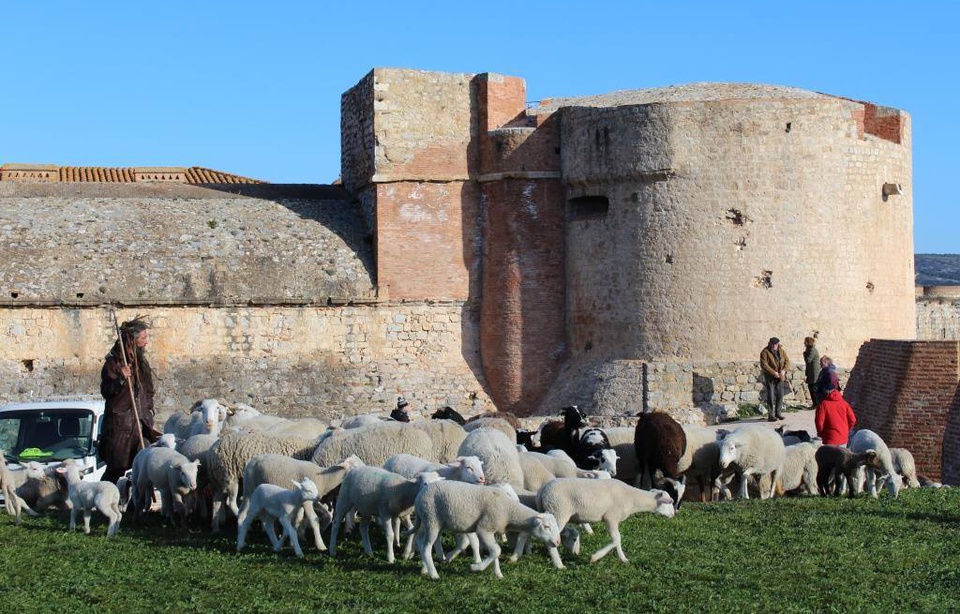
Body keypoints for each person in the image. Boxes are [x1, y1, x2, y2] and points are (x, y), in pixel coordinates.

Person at [100, 316, 159, 483]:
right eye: (143, 338)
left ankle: (136, 504)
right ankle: (104, 498)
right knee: (117, 467)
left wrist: (148, 410)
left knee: (144, 463)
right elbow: (106, 391)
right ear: (132, 340)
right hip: (121, 426)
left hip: (142, 422)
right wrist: (120, 378)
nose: (146, 342)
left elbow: (148, 390)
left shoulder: (141, 362)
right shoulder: (114, 363)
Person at [759, 337, 791, 421]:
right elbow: (764, 364)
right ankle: (771, 416)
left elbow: (787, 361)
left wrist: (784, 370)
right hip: (770, 377)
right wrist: (774, 372)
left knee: (780, 394)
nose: (774, 346)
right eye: (772, 344)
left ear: (778, 344)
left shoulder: (781, 351)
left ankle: (778, 413)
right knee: (771, 395)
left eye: (776, 344)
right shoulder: (765, 352)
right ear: (769, 343)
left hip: (780, 376)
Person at [803, 336, 821, 408]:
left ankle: (816, 404)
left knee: (813, 387)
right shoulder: (809, 349)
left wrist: (804, 354)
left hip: (814, 372)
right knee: (811, 387)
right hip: (810, 371)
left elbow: (808, 360)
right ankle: (815, 403)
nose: (804, 343)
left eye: (805, 342)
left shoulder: (812, 350)